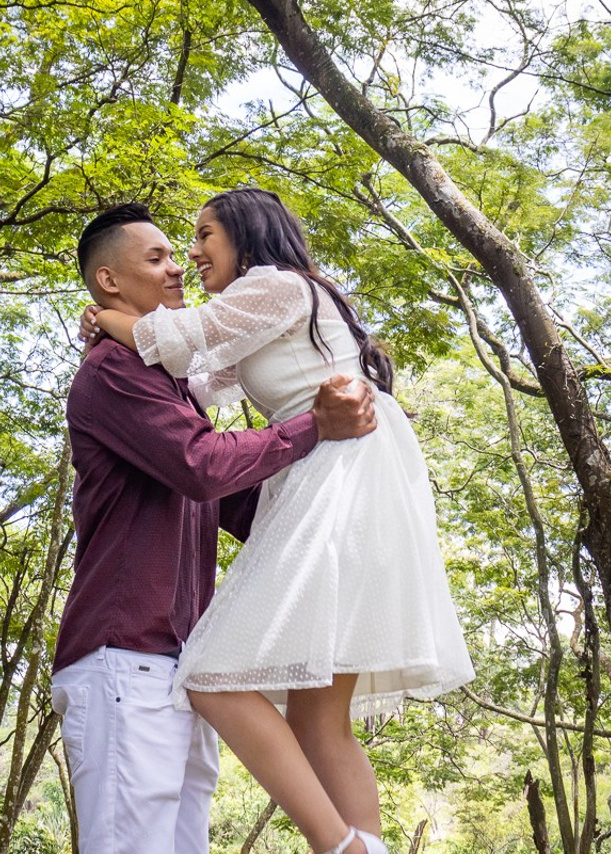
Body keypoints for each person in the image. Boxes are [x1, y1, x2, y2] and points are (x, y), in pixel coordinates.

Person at [83, 188, 475, 854]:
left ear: (246, 234)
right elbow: (195, 381)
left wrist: (106, 319)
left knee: (210, 674)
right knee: (319, 718)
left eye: (204, 235)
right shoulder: (265, 308)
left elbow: (174, 342)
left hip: (338, 473)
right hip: (343, 475)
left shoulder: (276, 287)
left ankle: (339, 847)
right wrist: (122, 343)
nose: (194, 255)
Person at [51, 202, 378, 854]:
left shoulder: (170, 384)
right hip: (125, 659)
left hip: (173, 666)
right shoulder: (114, 374)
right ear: (109, 282)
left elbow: (231, 502)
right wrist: (315, 425)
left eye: (180, 252)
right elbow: (203, 466)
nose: (177, 267)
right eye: (157, 258)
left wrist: (343, 524)